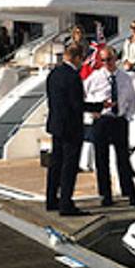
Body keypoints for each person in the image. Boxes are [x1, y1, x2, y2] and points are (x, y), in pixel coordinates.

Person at [84, 46, 135, 207]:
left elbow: (132, 99)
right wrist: (92, 111)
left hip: (119, 120)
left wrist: (127, 116)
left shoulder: (125, 78)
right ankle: (106, 195)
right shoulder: (95, 77)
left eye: (110, 59)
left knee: (123, 158)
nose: (107, 63)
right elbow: (82, 95)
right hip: (102, 121)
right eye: (104, 60)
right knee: (102, 160)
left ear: (115, 59)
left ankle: (129, 193)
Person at [45, 44, 88, 216]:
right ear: (77, 58)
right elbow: (77, 105)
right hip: (71, 127)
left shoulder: (54, 74)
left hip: (56, 124)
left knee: (55, 164)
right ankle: (65, 203)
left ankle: (51, 199)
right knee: (69, 166)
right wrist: (98, 106)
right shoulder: (73, 77)